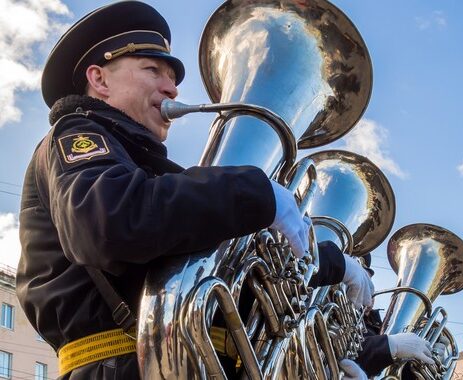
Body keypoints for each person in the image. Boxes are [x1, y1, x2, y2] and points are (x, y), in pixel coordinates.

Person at [16, 1, 372, 379]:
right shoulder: (77, 135)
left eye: (172, 77)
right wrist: (255, 194)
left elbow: (249, 278)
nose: (171, 87)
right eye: (152, 70)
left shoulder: (156, 176)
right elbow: (110, 222)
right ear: (100, 80)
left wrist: (324, 327)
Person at [339, 254, 436, 379]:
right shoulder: (337, 317)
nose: (370, 291)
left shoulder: (377, 326)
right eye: (362, 285)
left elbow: (393, 373)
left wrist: (425, 359)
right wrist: (390, 345)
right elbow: (343, 355)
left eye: (370, 285)